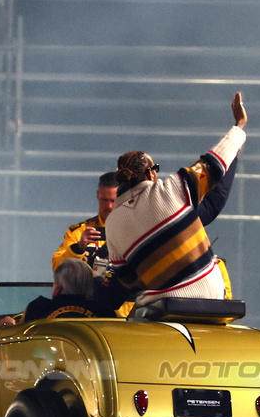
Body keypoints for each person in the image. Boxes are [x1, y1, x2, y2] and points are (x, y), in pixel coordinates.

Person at [97, 92, 247, 309]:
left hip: (160, 312)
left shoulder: (112, 224)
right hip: (211, 304)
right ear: (150, 174)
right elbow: (214, 163)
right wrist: (239, 126)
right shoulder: (173, 190)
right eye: (155, 168)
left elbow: (126, 279)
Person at [51, 172, 119, 273]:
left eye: (113, 201)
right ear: (97, 196)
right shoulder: (78, 232)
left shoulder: (134, 231)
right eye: (105, 200)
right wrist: (78, 248)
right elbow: (58, 268)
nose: (109, 206)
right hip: (87, 288)